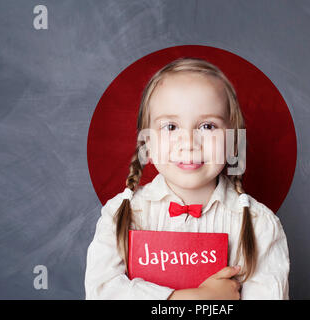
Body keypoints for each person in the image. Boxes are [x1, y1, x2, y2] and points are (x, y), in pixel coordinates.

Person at [85, 57, 290, 299]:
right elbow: (103, 293)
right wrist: (193, 299)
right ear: (147, 143)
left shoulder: (260, 226)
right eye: (170, 127)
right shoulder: (120, 214)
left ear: (234, 141)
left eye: (207, 126)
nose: (189, 143)